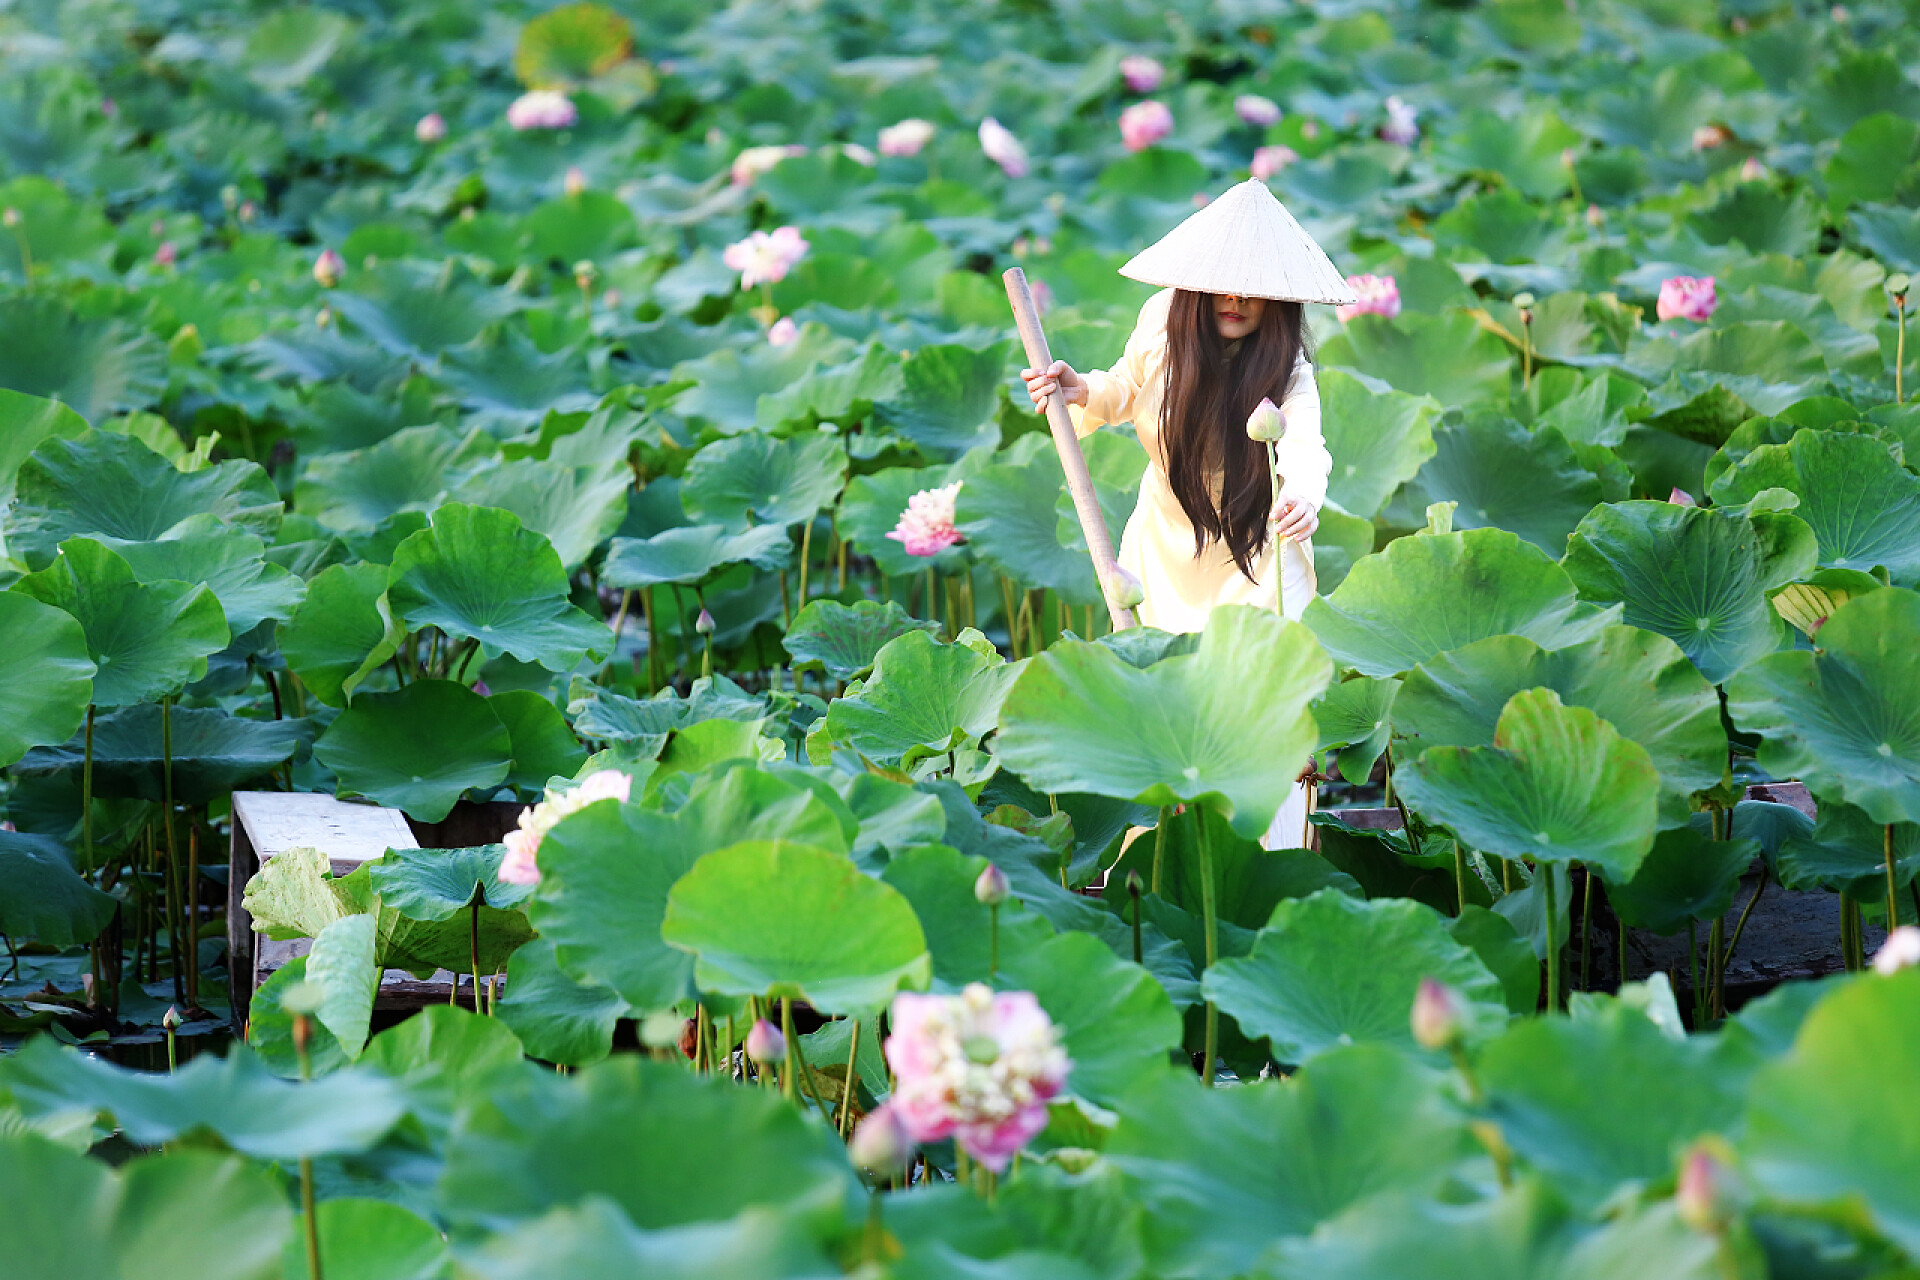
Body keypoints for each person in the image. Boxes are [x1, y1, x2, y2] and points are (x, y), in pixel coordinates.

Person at [1018, 177, 1355, 851]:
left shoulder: (1289, 373)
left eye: (1253, 287)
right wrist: (1080, 388)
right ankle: (1154, 866)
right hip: (1167, 546)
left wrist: (1302, 501)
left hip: (1258, 552)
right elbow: (1124, 387)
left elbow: (1306, 448)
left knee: (1259, 704)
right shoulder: (1162, 323)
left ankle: (1271, 858)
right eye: (1224, 282)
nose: (1235, 299)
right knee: (1168, 710)